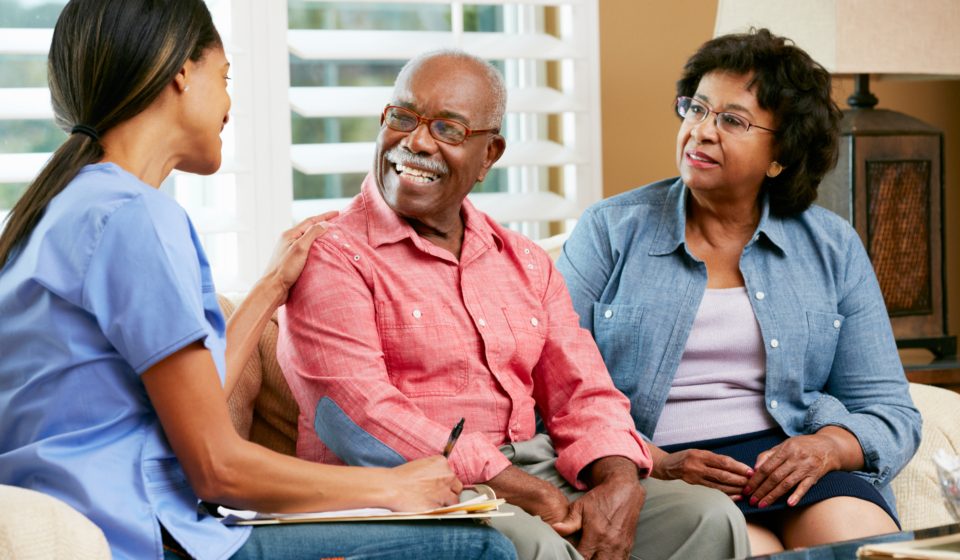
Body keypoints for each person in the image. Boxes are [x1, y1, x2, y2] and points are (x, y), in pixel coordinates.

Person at [0, 2, 518, 560]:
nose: (228, 105)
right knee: (477, 549)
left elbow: (191, 404)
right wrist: (393, 487)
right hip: (143, 536)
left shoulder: (51, 211)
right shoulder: (136, 218)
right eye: (224, 78)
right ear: (181, 73)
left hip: (86, 515)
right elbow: (216, 467)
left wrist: (272, 285)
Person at [277, 48, 750, 560]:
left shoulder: (523, 259)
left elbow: (583, 391)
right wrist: (517, 487)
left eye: (449, 130)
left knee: (709, 518)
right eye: (403, 118)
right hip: (413, 491)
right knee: (537, 545)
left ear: (489, 156)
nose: (415, 142)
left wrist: (617, 480)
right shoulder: (331, 254)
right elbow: (358, 417)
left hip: (539, 471)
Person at [555, 28, 922, 555]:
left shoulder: (832, 245)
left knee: (858, 544)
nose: (701, 132)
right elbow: (554, 387)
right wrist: (654, 462)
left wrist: (827, 447)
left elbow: (889, 408)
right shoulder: (610, 231)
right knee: (749, 548)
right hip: (664, 468)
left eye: (732, 120)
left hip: (790, 464)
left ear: (781, 155)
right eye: (696, 109)